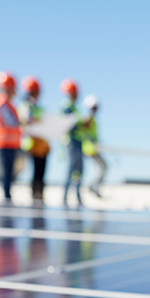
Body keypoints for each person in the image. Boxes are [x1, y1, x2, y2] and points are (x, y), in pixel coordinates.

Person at [0, 72, 21, 203]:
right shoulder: (2, 102)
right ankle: (7, 196)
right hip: (4, 142)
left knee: (10, 171)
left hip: (9, 142)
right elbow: (12, 121)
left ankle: (7, 195)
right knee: (7, 171)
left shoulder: (7, 103)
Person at [18, 76, 50, 205]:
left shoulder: (39, 107)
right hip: (32, 143)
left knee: (41, 171)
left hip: (42, 144)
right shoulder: (25, 106)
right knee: (36, 172)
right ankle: (34, 195)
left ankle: (39, 195)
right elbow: (25, 121)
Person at [60, 78, 90, 208]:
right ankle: (65, 196)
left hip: (78, 142)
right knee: (72, 168)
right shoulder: (67, 107)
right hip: (72, 142)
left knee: (78, 170)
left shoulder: (74, 107)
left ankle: (77, 196)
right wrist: (81, 123)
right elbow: (68, 125)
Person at [81, 95, 108, 198]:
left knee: (101, 168)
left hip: (93, 148)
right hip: (90, 149)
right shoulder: (87, 119)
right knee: (103, 167)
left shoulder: (93, 120)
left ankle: (94, 186)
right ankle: (93, 186)